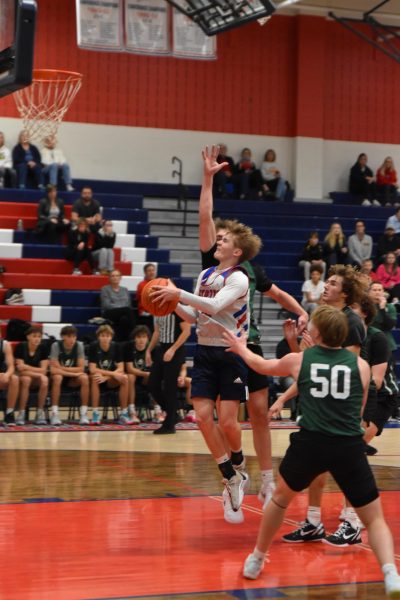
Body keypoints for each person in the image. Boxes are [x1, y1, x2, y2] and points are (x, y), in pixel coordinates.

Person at [223, 305, 400, 598]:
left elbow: (261, 366)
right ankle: (391, 574)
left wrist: (241, 348)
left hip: (311, 443)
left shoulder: (300, 360)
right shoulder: (361, 366)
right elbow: (358, 408)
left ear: (315, 333)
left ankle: (256, 558)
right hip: (347, 445)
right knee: (374, 518)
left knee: (279, 501)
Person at [197, 145, 308, 522]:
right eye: (220, 236)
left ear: (239, 248)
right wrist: (207, 178)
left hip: (247, 342)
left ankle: (265, 476)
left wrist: (301, 309)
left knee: (259, 411)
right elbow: (205, 215)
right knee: (230, 415)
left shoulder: (249, 272)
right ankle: (237, 473)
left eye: (227, 238)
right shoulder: (209, 262)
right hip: (218, 343)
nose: (220, 239)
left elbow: (277, 294)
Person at [275, 264, 366, 545]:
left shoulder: (351, 322)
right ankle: (313, 521)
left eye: (333, 283)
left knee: (348, 463)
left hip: (345, 399)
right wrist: (293, 343)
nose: (326, 286)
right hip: (317, 395)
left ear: (345, 293)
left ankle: (352, 520)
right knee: (317, 464)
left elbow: (345, 368)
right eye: (326, 281)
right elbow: (307, 364)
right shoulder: (321, 316)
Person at [146, 312, 191, 434]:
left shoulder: (178, 308)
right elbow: (157, 332)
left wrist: (173, 349)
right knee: (152, 383)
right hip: (161, 348)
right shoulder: (156, 309)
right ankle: (173, 414)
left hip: (175, 350)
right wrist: (149, 350)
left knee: (169, 387)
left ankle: (169, 425)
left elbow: (187, 331)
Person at [88, 324, 131, 425]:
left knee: (125, 378)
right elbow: (92, 369)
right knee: (95, 377)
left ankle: (124, 414)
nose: (105, 338)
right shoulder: (94, 346)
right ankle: (95, 414)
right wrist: (107, 375)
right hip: (99, 379)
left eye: (107, 336)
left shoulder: (116, 346)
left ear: (111, 337)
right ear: (98, 337)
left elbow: (121, 368)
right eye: (102, 335)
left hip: (110, 379)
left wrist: (107, 377)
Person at [49, 325, 90, 426]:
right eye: (69, 336)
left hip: (72, 379)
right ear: (63, 337)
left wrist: (62, 368)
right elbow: (53, 370)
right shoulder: (56, 345)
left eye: (74, 336)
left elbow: (81, 368)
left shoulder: (79, 345)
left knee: (84, 378)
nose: (72, 339)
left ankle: (84, 413)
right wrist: (72, 372)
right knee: (57, 377)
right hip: (59, 378)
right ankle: (54, 413)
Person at [14, 326, 49, 426]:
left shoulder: (43, 348)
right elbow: (20, 370)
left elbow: (44, 371)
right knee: (26, 379)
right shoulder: (21, 346)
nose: (37, 339)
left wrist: (27, 366)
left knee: (45, 380)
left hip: (36, 378)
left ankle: (39, 413)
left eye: (39, 336)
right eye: (34, 336)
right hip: (23, 378)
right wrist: (38, 373)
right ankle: (21, 413)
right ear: (28, 337)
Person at [124, 324, 152, 424]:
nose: (141, 340)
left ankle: (159, 410)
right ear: (134, 338)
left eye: (144, 337)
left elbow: (155, 368)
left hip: (146, 377)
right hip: (133, 378)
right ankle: (132, 411)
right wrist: (145, 374)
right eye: (138, 337)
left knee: (157, 377)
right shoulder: (128, 347)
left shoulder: (152, 348)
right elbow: (130, 369)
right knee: (131, 377)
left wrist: (149, 374)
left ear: (148, 338)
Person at [100, 270, 135, 342]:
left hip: (123, 314)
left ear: (120, 278)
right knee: (127, 311)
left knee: (124, 319)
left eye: (117, 276)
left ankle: (123, 342)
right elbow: (107, 305)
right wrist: (122, 308)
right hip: (109, 313)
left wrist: (120, 309)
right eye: (112, 276)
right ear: (109, 278)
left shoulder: (125, 289)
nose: (115, 278)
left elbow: (128, 303)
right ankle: (134, 334)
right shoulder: (105, 289)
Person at [369, 282, 397, 357]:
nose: (377, 292)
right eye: (374, 290)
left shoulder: (390, 307)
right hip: (369, 343)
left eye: (379, 290)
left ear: (383, 292)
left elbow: (389, 326)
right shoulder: (365, 306)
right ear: (368, 292)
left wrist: (383, 309)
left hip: (386, 344)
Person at [0, 335, 19, 426]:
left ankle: (9, 413)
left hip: (1, 377)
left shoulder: (5, 344)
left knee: (14, 379)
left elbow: (11, 366)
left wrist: (7, 375)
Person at [136, 263, 156, 331]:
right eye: (149, 271)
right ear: (145, 272)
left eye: (153, 270)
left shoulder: (159, 283)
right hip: (146, 311)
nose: (151, 272)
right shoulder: (141, 285)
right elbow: (141, 299)